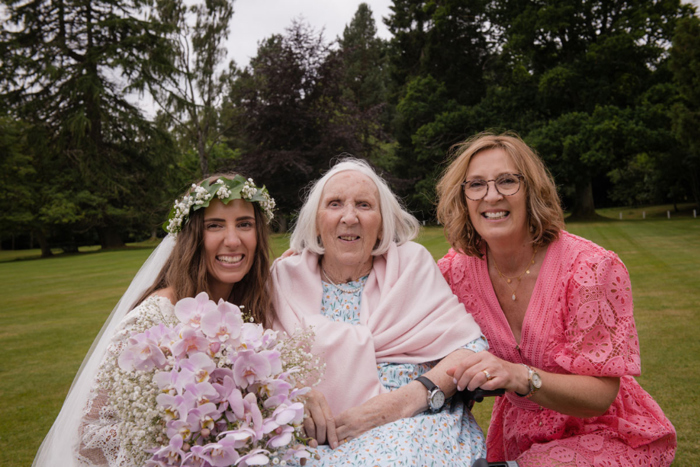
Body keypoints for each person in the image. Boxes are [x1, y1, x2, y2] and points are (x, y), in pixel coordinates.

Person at [436, 133, 676, 466]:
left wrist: (519, 376)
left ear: (531, 190)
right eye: (476, 185)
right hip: (519, 440)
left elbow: (601, 397)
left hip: (609, 435)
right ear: (463, 198)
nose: (491, 195)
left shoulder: (590, 269)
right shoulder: (453, 273)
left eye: (507, 181)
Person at [33, 173, 276, 466]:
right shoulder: (152, 318)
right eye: (214, 225)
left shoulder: (253, 305)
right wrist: (185, 446)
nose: (233, 240)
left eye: (244, 224)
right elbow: (89, 438)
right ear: (192, 237)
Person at [270, 158, 488, 466]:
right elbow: (256, 368)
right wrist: (292, 397)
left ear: (383, 221)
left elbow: (470, 351)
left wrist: (403, 402)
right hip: (310, 437)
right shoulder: (283, 279)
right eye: (334, 204)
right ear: (316, 221)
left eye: (363, 205)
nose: (349, 217)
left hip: (411, 427)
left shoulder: (410, 266)